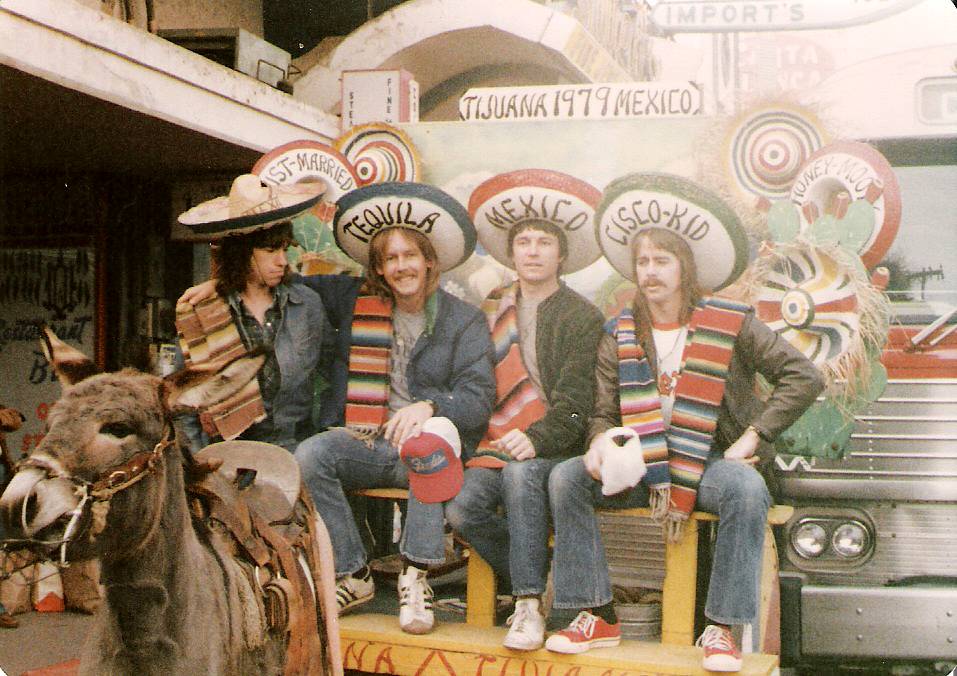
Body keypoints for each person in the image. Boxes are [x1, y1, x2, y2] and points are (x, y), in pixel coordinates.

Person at [546, 226, 823, 672]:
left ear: (684, 269)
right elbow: (602, 411)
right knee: (566, 477)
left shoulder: (729, 322)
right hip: (644, 465)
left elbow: (804, 376)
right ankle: (596, 614)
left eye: (662, 261)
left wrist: (755, 434)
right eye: (642, 262)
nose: (650, 272)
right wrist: (598, 439)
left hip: (710, 463)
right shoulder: (619, 332)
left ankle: (723, 629)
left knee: (746, 489)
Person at [292, 183, 495, 635]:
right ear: (379, 268)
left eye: (410, 255)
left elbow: (478, 396)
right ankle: (353, 572)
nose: (402, 266)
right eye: (391, 258)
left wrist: (430, 405)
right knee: (310, 455)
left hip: (429, 453)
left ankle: (416, 576)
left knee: (428, 446)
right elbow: (289, 283)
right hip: (369, 442)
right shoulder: (355, 301)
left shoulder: (463, 319)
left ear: (429, 260)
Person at [445, 217, 604, 651]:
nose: (533, 251)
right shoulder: (492, 307)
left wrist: (537, 437)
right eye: (524, 242)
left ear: (561, 254)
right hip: (496, 441)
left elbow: (577, 401)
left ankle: (528, 603)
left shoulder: (582, 316)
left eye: (544, 242)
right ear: (511, 252)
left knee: (521, 475)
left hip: (557, 444)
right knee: (462, 507)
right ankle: (546, 571)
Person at [174, 174, 329, 454]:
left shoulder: (307, 305)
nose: (282, 261)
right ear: (242, 253)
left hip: (294, 451)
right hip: (227, 456)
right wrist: (199, 462)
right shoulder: (203, 312)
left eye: (284, 249)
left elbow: (333, 368)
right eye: (270, 250)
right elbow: (183, 401)